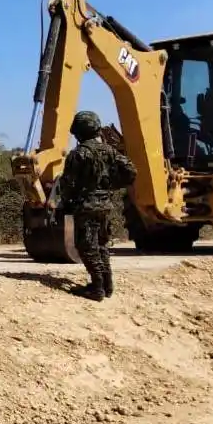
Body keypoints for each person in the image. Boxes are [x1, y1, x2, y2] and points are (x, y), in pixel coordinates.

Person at [56, 110, 137, 301]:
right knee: (101, 245)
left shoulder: (79, 154)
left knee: (86, 246)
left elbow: (67, 184)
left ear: (78, 131)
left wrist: (65, 203)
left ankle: (97, 288)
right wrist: (111, 186)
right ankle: (107, 285)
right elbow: (131, 172)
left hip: (86, 206)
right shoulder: (110, 151)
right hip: (105, 204)